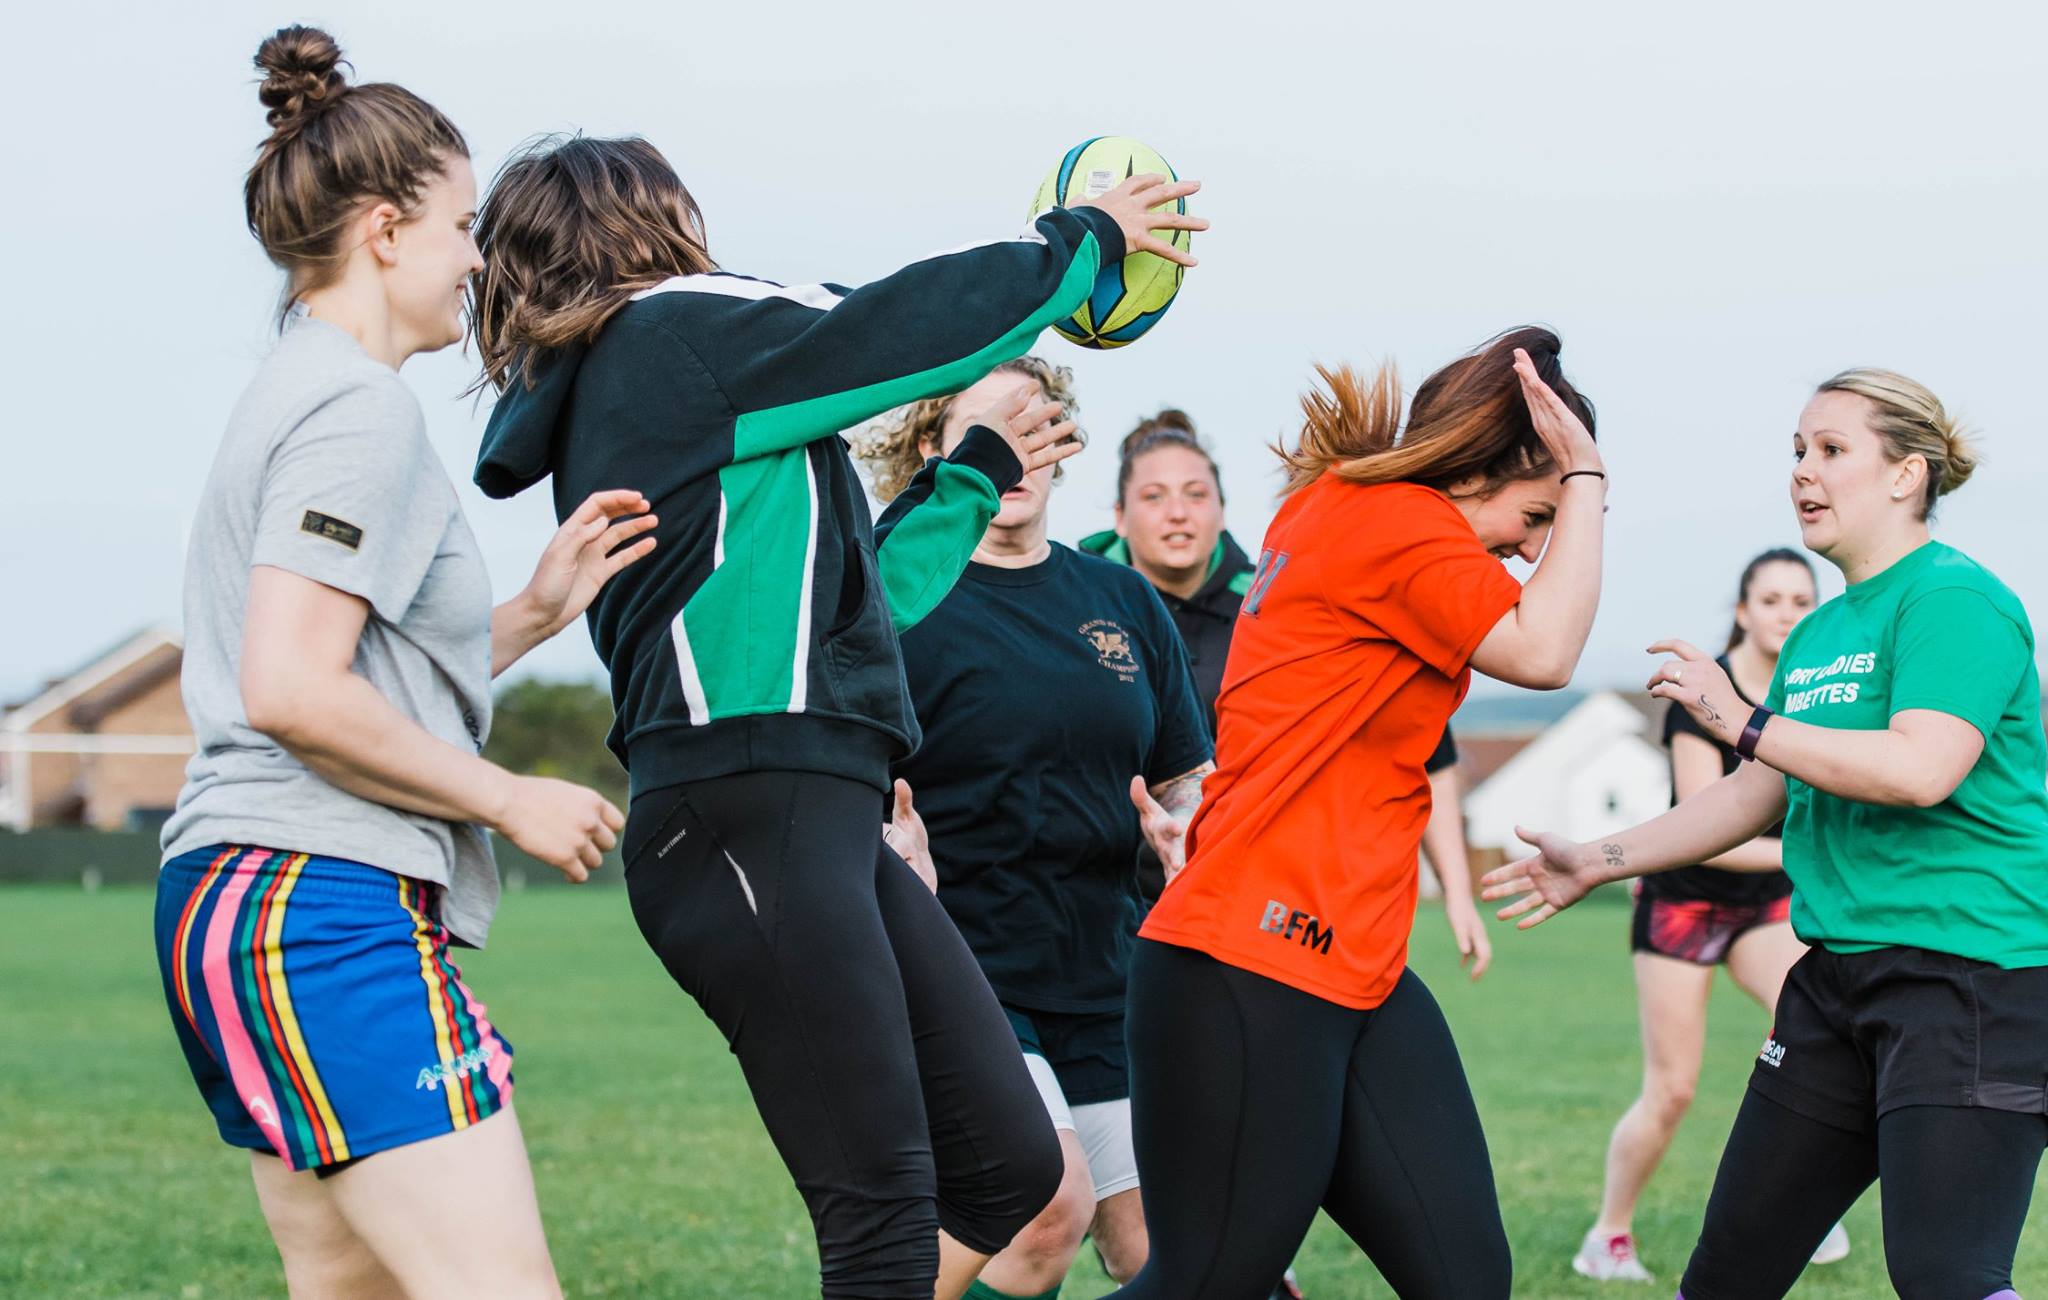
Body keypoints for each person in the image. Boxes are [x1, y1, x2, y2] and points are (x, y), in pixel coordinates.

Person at [467, 134, 1206, 1299]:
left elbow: (858, 607)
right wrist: (1082, 245)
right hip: (742, 810)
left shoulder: (688, 393)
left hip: (815, 810)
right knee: (879, 1212)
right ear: (654, 219)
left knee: (1008, 1167)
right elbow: (894, 327)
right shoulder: (672, 333)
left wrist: (966, 473)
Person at [154, 28, 652, 1298]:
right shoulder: (355, 408)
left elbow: (346, 665)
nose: (477, 261)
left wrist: (531, 613)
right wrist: (510, 796)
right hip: (311, 907)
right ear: (384, 230)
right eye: (461, 227)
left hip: (255, 899)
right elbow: (290, 688)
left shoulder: (304, 386)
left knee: (353, 1288)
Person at [1487, 368, 2048, 1300]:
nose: (1803, 472)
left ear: (1908, 475)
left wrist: (1740, 716)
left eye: (1831, 451)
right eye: (1796, 451)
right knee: (1726, 1276)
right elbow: (1756, 796)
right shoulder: (1819, 636)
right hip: (1833, 986)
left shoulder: (1956, 601)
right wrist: (1598, 860)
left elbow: (1921, 769)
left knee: (1945, 1275)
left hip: (1969, 985)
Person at [1109, 328, 1605, 1299]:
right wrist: (1585, 474)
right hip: (1246, 958)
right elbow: (1544, 654)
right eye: (1534, 510)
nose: (1534, 544)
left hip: (1357, 964)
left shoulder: (1345, 508)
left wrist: (1561, 485)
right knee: (1210, 1282)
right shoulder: (1390, 521)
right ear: (1486, 461)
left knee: (1462, 1278)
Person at [857, 359, 1213, 1298]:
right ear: (935, 454)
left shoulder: (1124, 600)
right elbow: (831, 766)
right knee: (1043, 1213)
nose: (1014, 449)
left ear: (1062, 442)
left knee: (1158, 1243)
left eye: (1033, 423)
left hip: (1108, 969)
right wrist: (879, 847)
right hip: (959, 965)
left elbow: (1186, 776)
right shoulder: (896, 603)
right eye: (985, 428)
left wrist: (1190, 829)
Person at [1079, 412, 1490, 984]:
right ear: (1120, 516)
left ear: (1222, 509)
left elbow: (1428, 753)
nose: (1178, 513)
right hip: (1104, 905)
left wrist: (1457, 893)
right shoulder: (1081, 609)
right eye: (1154, 497)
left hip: (1254, 907)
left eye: (1196, 495)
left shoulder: (1281, 599)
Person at [1571, 547, 1843, 1283]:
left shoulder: (1812, 689)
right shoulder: (1706, 697)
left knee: (1822, 1037)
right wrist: (1807, 854)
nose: (1787, 613)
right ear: (1742, 611)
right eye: (1772, 600)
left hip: (1763, 911)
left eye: (1800, 600)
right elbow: (1711, 831)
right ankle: (1608, 1236)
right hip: (1684, 902)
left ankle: (1810, 1202)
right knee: (1673, 1089)